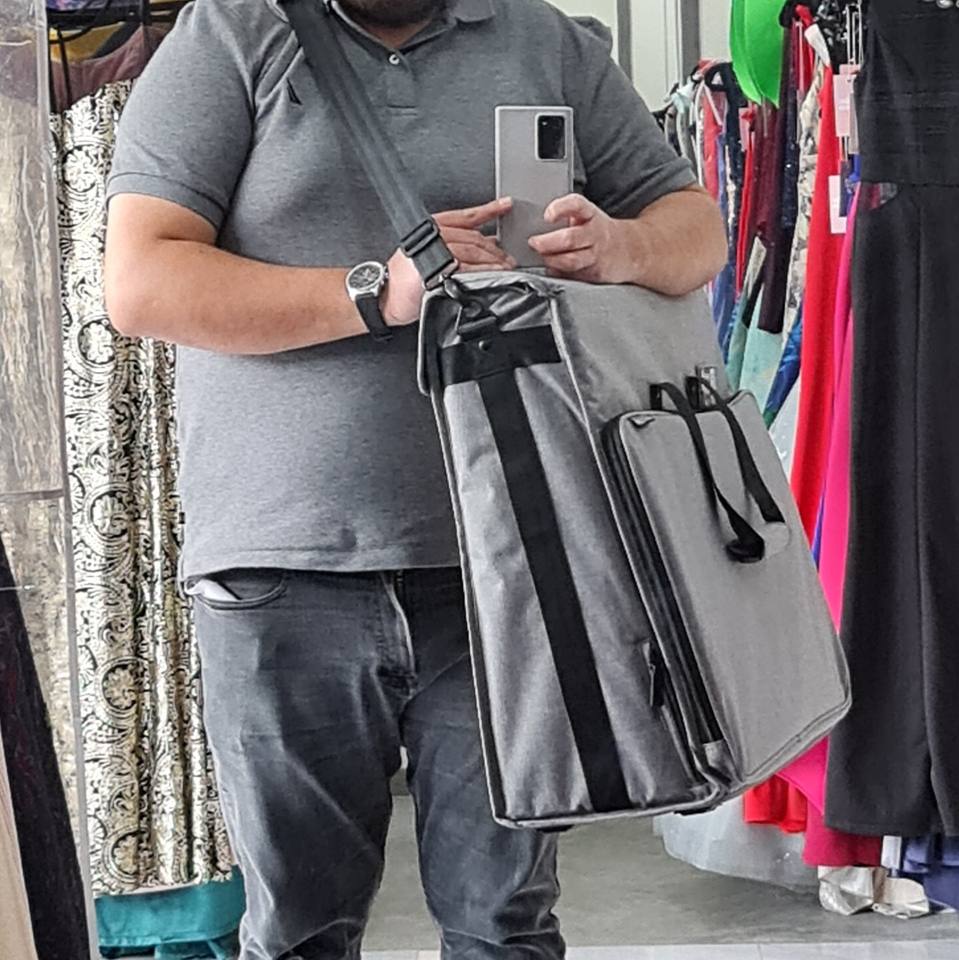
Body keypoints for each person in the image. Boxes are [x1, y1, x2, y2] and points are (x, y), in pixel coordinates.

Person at [104, 0, 727, 957]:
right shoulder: (231, 36)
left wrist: (625, 248)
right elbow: (142, 281)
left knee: (503, 922)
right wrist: (375, 291)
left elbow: (695, 229)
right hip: (284, 569)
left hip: (512, 567)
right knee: (301, 930)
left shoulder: (544, 41)